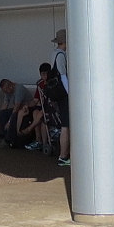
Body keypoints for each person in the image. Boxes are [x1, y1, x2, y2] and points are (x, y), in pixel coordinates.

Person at [50, 29, 71, 167]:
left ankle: (64, 155)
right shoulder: (61, 55)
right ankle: (63, 156)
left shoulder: (53, 53)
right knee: (66, 125)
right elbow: (63, 76)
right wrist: (71, 93)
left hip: (56, 94)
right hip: (64, 95)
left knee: (65, 124)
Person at [0, 78, 29, 147]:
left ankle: (8, 139)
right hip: (18, 108)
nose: (6, 93)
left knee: (14, 116)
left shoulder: (19, 89)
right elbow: (5, 104)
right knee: (2, 114)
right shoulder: (8, 91)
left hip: (26, 109)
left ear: (10, 86)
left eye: (6, 91)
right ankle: (4, 136)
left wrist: (9, 122)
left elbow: (17, 107)